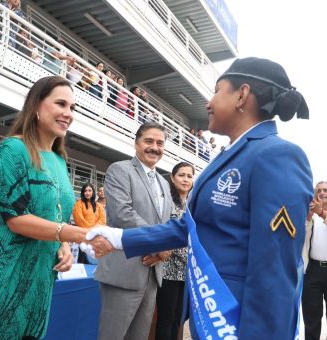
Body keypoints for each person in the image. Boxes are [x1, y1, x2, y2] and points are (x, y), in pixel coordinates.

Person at [85, 57, 313, 339]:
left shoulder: (278, 155)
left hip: (238, 321)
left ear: (242, 95)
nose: (208, 103)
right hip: (210, 314)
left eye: (217, 91)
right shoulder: (230, 156)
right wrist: (119, 238)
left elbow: (275, 271)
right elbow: (190, 227)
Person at [0, 76, 100, 339]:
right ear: (36, 106)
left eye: (73, 108)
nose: (68, 113)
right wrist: (79, 235)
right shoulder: (12, 149)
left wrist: (64, 247)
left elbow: (57, 214)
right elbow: (16, 220)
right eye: (60, 103)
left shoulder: (61, 161)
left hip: (40, 281)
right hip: (1, 279)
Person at [95, 121, 173, 340]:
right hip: (124, 270)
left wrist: (164, 247)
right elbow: (123, 214)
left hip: (152, 272)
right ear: (136, 143)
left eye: (160, 143)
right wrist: (161, 242)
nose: (154, 147)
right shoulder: (120, 169)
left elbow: (165, 222)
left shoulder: (164, 183)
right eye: (149, 141)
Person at [155, 162, 194, 340]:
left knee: (179, 318)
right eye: (181, 175)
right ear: (172, 177)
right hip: (168, 269)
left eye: (189, 176)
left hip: (187, 273)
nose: (186, 179)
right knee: (166, 318)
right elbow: (168, 233)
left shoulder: (194, 204)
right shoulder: (166, 201)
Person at [302, 181, 327, 340]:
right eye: (319, 190)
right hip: (312, 271)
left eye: (325, 190)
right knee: (311, 318)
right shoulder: (310, 214)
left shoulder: (322, 215)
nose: (322, 192)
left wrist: (323, 214)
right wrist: (309, 218)